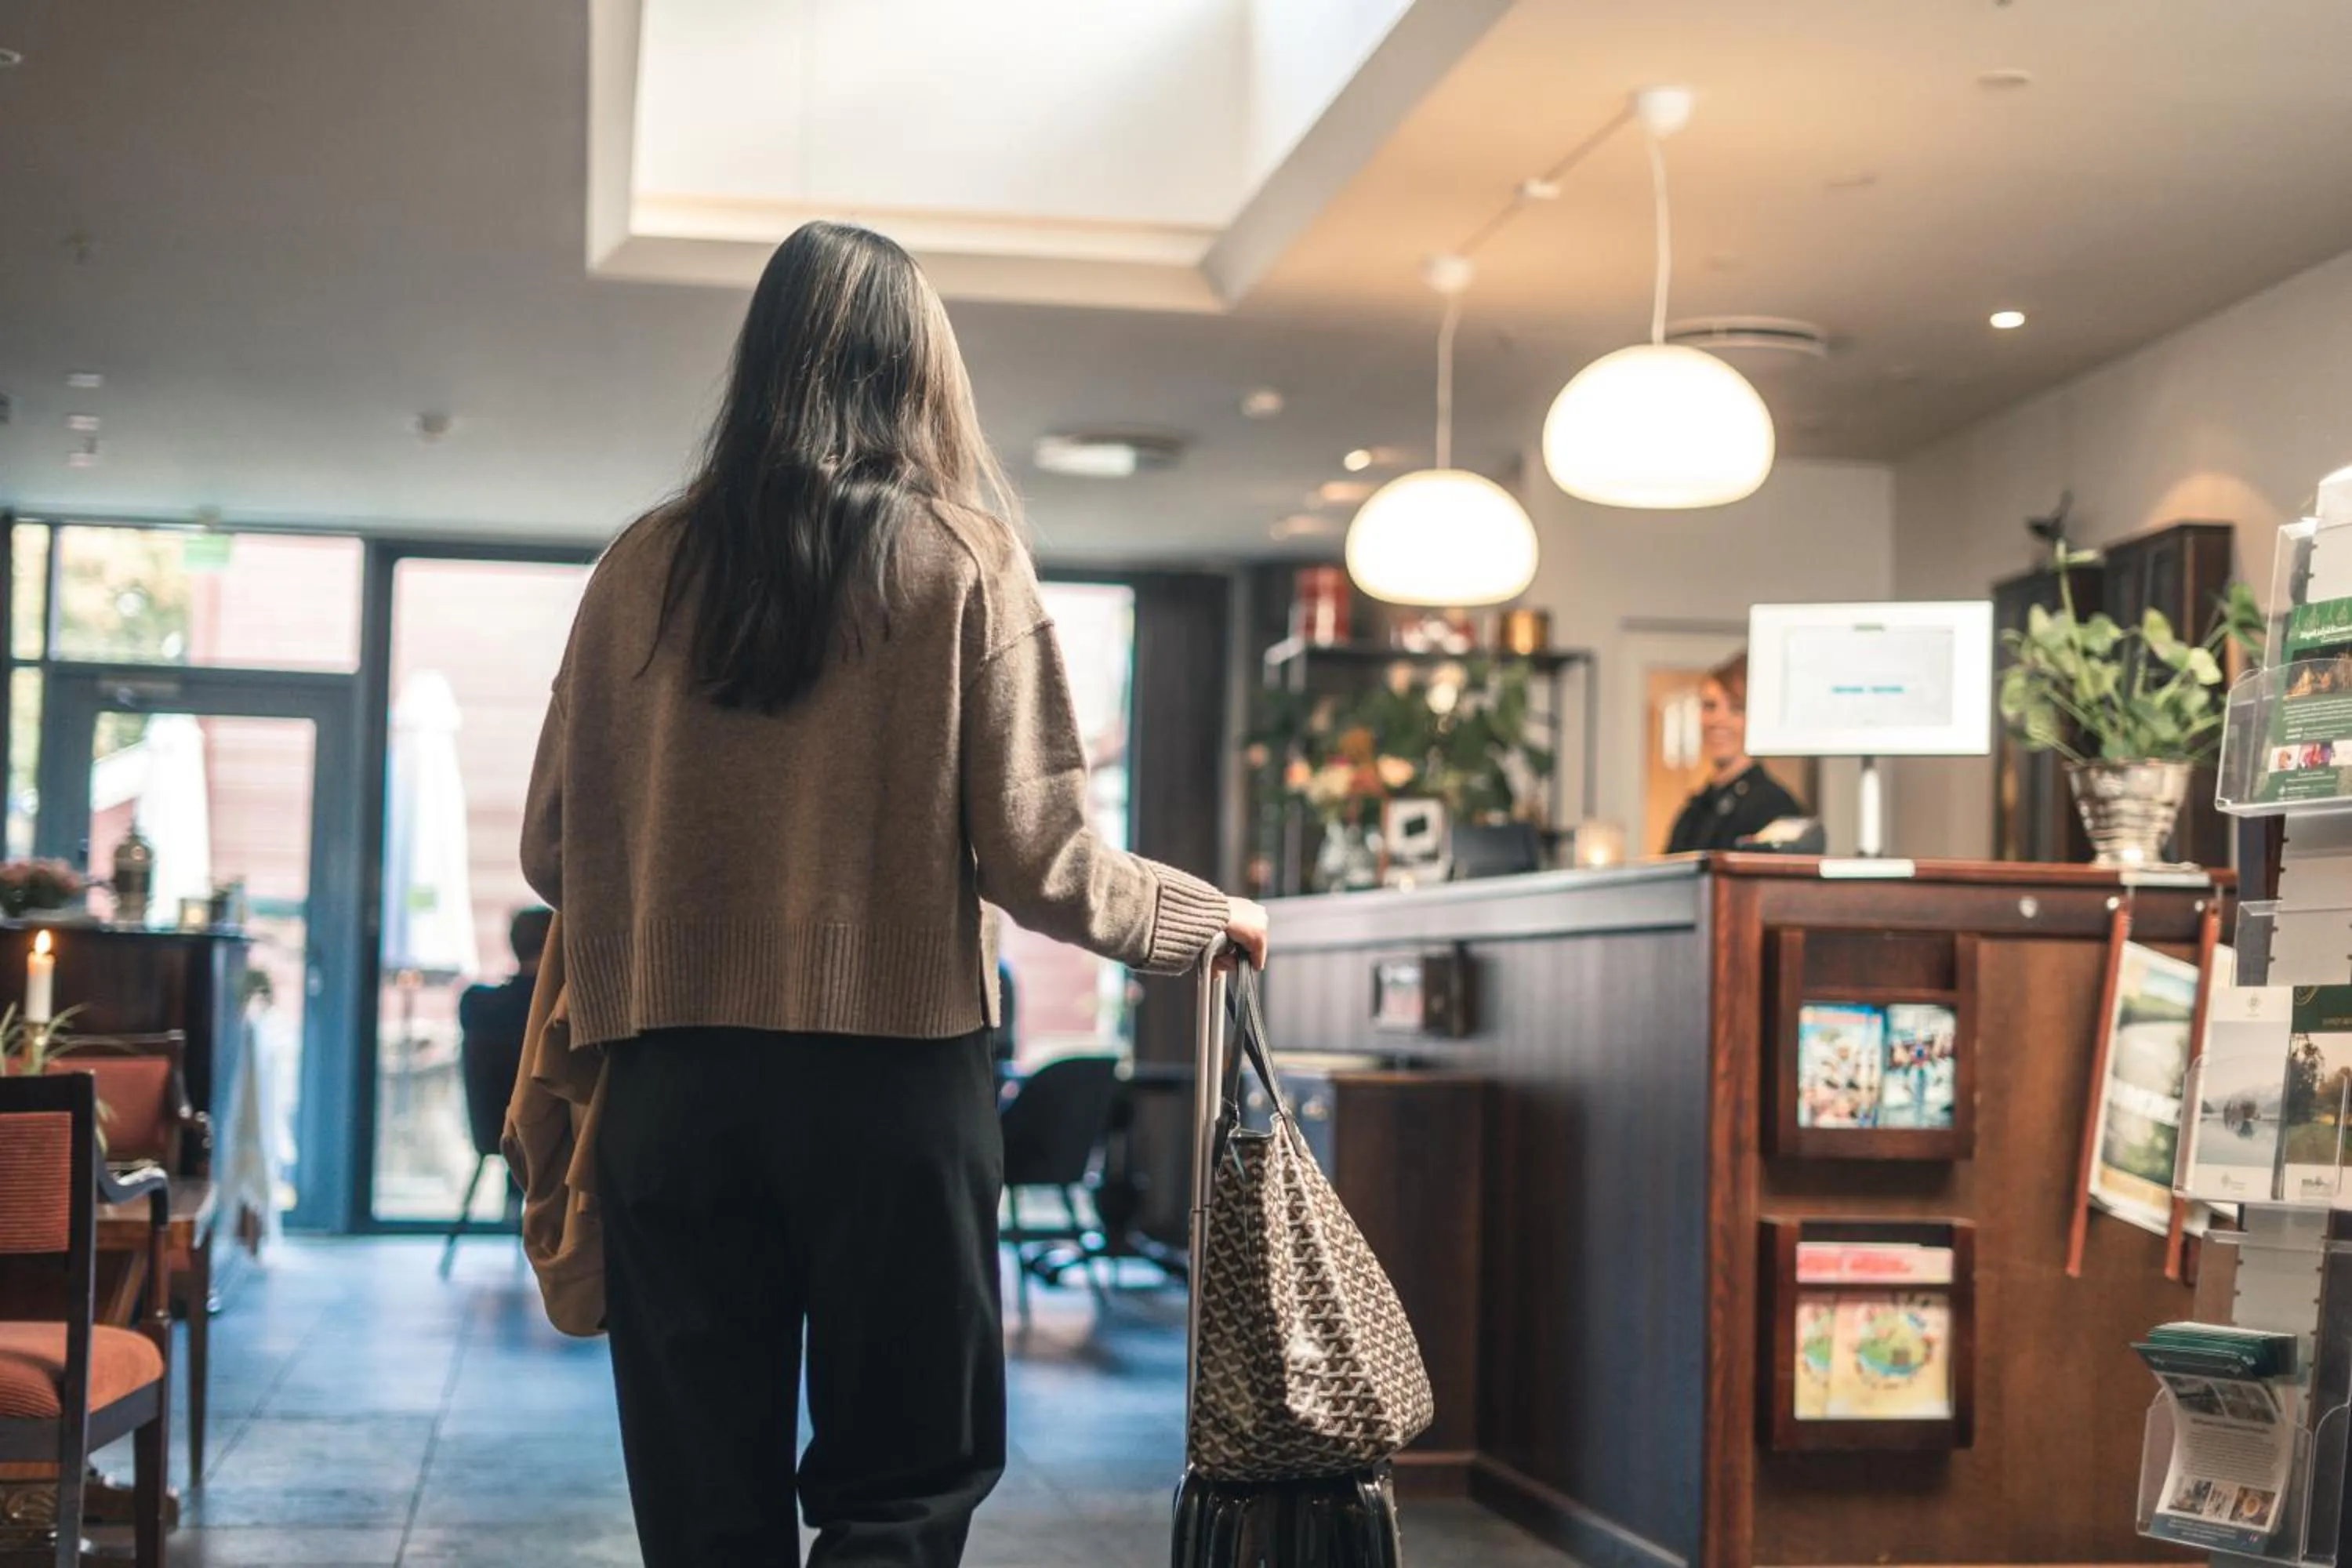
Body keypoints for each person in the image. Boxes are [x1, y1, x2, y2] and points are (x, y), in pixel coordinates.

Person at [518, 220, 1269, 1568]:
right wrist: (1215, 920)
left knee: (701, 1496)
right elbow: (1044, 865)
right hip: (892, 1087)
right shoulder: (963, 561)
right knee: (904, 1479)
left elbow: (551, 850)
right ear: (922, 373)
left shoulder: (640, 566)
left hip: (674, 1084)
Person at [1664, 651, 1805, 854]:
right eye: (1710, 707)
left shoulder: (1773, 807)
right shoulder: (1696, 808)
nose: (1718, 721)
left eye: (1736, 709)